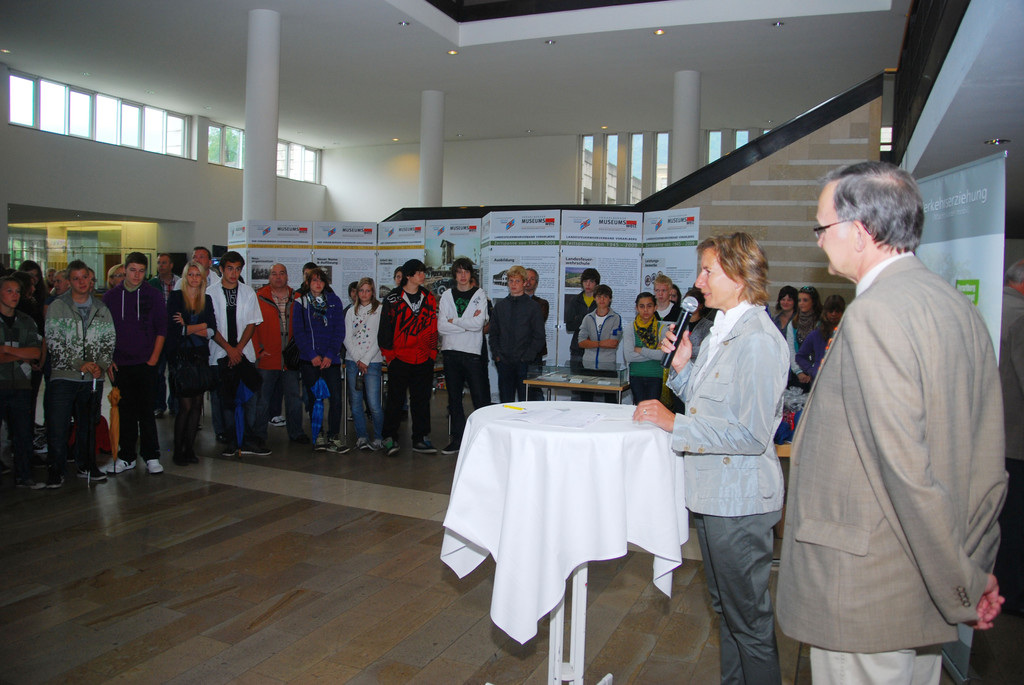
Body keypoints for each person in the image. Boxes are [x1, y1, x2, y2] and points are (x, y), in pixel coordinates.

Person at [777, 161, 1006, 683]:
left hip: (866, 589)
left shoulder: (874, 313)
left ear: (860, 232)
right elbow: (988, 464)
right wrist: (973, 569)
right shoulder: (957, 306)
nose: (818, 241)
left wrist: (963, 585)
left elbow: (905, 470)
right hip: (922, 587)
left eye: (822, 227)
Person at [634, 232, 789, 685]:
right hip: (716, 496)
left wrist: (673, 423)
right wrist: (683, 370)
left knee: (749, 622)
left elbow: (749, 434)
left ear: (739, 276)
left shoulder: (757, 340)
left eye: (707, 271)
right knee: (728, 612)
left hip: (740, 502)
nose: (698, 282)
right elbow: (711, 407)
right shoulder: (723, 329)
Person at [44, 260, 115, 486]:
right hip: (64, 376)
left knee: (88, 424)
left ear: (91, 279)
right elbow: (54, 341)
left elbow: (109, 340)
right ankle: (56, 469)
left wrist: (100, 364)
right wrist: (79, 363)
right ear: (69, 281)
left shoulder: (101, 308)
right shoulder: (58, 306)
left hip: (92, 378)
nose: (82, 282)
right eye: (76, 278)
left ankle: (87, 464)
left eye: (85, 277)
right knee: (58, 425)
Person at [101, 252, 167, 475]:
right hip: (120, 364)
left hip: (146, 363)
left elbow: (162, 328)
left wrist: (154, 359)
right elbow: (103, 332)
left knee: (146, 411)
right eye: (132, 270)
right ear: (125, 270)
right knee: (125, 412)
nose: (136, 275)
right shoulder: (111, 297)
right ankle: (126, 456)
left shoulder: (153, 295)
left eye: (141, 271)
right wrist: (108, 359)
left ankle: (151, 455)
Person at [378, 259, 439, 456]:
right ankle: (389, 437)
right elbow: (385, 329)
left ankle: (420, 438)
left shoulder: (428, 297)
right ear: (408, 275)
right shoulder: (393, 299)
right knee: (395, 400)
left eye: (423, 272)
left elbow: (433, 326)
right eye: (419, 272)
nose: (423, 276)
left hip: (423, 358)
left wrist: (431, 353)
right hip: (399, 358)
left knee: (422, 400)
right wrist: (390, 356)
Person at [208, 251, 266, 457]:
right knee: (226, 400)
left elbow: (252, 323)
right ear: (221, 269)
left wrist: (238, 349)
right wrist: (229, 349)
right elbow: (211, 325)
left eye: (237, 269)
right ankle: (231, 440)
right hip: (220, 353)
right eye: (229, 269)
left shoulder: (248, 292)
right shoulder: (210, 293)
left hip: (243, 354)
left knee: (249, 398)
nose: (233, 273)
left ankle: (248, 439)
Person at [166, 260, 217, 466]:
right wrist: (198, 327)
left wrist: (188, 327)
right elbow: (175, 330)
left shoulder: (207, 299)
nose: (194, 278)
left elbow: (212, 330)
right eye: (191, 274)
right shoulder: (176, 297)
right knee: (185, 406)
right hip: (181, 357)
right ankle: (178, 450)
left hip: (200, 356)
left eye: (198, 275)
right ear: (185, 277)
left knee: (197, 405)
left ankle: (189, 449)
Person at [437, 258, 490, 454]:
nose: (463, 275)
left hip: (472, 354)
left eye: (466, 271)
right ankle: (457, 439)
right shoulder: (446, 295)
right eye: (459, 272)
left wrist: (454, 321)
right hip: (451, 353)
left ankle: (484, 440)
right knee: (454, 399)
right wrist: (465, 324)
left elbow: (478, 325)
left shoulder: (479, 294)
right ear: (455, 274)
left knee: (479, 399)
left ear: (471, 274)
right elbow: (441, 327)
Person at [292, 267, 347, 453]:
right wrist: (311, 354)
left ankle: (334, 435)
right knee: (314, 399)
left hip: (331, 360)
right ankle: (319, 434)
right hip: (310, 360)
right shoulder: (300, 302)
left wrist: (330, 355)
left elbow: (339, 330)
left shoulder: (334, 301)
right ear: (308, 283)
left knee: (336, 399)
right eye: (314, 280)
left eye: (321, 280)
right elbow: (298, 333)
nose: (318, 283)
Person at [253, 263, 309, 446]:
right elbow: (251, 326)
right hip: (268, 358)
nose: (278, 277)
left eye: (282, 273)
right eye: (274, 274)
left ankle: (296, 433)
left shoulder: (298, 298)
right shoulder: (259, 297)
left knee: (293, 398)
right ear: (269, 277)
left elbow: (305, 326)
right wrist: (258, 350)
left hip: (291, 360)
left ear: (287, 276)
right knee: (263, 399)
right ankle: (258, 434)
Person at [996, 258, 1024, 615]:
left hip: (994, 435)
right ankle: (1012, 596)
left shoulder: (992, 308)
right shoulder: (1020, 317)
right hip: (1016, 440)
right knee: (1015, 525)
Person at [0, 275, 45, 489]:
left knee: (23, 433)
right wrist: (21, 354)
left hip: (21, 385)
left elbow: (35, 352)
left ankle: (24, 476)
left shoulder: (26, 320)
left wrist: (6, 350)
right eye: (9, 291)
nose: (15, 296)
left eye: (17, 291)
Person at [490, 265, 545, 403]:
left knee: (526, 403)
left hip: (525, 364)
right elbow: (493, 334)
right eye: (511, 281)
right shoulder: (500, 306)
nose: (513, 284)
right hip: (504, 362)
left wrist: (527, 357)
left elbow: (539, 336)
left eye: (517, 281)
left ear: (525, 283)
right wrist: (497, 356)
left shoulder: (533, 307)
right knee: (505, 403)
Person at [344, 277, 385, 451]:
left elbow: (380, 337)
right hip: (353, 361)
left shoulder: (380, 310)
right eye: (361, 290)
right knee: (355, 403)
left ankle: (379, 437)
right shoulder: (350, 312)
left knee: (374, 404)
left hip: (372, 362)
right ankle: (362, 436)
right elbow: (346, 337)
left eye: (368, 290)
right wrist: (357, 359)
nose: (364, 294)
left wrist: (366, 360)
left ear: (373, 292)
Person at [577, 283, 623, 403]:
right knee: (586, 400)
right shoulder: (588, 318)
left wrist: (591, 342)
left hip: (608, 365)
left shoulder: (615, 318)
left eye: (605, 297)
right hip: (588, 364)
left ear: (610, 299)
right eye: (599, 296)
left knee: (610, 401)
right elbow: (581, 342)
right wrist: (602, 343)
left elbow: (613, 343)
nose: (602, 300)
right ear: (594, 298)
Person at [149, 253, 180, 419]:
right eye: (159, 263)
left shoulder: (180, 282)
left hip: (175, 333)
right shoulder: (152, 284)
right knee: (158, 372)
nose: (161, 266)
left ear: (171, 265)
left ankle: (174, 404)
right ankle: (158, 405)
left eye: (164, 263)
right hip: (157, 334)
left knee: (175, 371)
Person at [623, 292, 664, 402]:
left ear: (655, 307)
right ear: (636, 308)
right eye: (642, 306)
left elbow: (663, 355)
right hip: (636, 376)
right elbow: (629, 356)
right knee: (639, 408)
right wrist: (654, 353)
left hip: (656, 376)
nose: (645, 310)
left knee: (653, 409)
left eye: (649, 306)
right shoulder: (630, 328)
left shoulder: (662, 328)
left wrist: (640, 350)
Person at [794, 294, 845, 381]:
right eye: (831, 311)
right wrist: (812, 371)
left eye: (837, 311)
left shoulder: (848, 333)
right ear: (825, 312)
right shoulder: (816, 334)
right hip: (820, 380)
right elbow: (800, 356)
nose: (834, 314)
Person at [784, 285, 821, 389]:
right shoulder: (793, 323)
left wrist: (813, 371)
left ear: (813, 302)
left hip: (818, 372)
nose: (801, 303)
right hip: (799, 373)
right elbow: (791, 349)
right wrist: (798, 371)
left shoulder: (821, 323)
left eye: (805, 300)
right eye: (799, 300)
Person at [564, 267, 599, 365]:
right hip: (577, 348)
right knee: (576, 374)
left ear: (596, 283)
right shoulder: (575, 300)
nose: (588, 284)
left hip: (596, 348)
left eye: (591, 281)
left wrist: (579, 318)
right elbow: (570, 326)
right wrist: (587, 320)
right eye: (585, 281)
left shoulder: (600, 301)